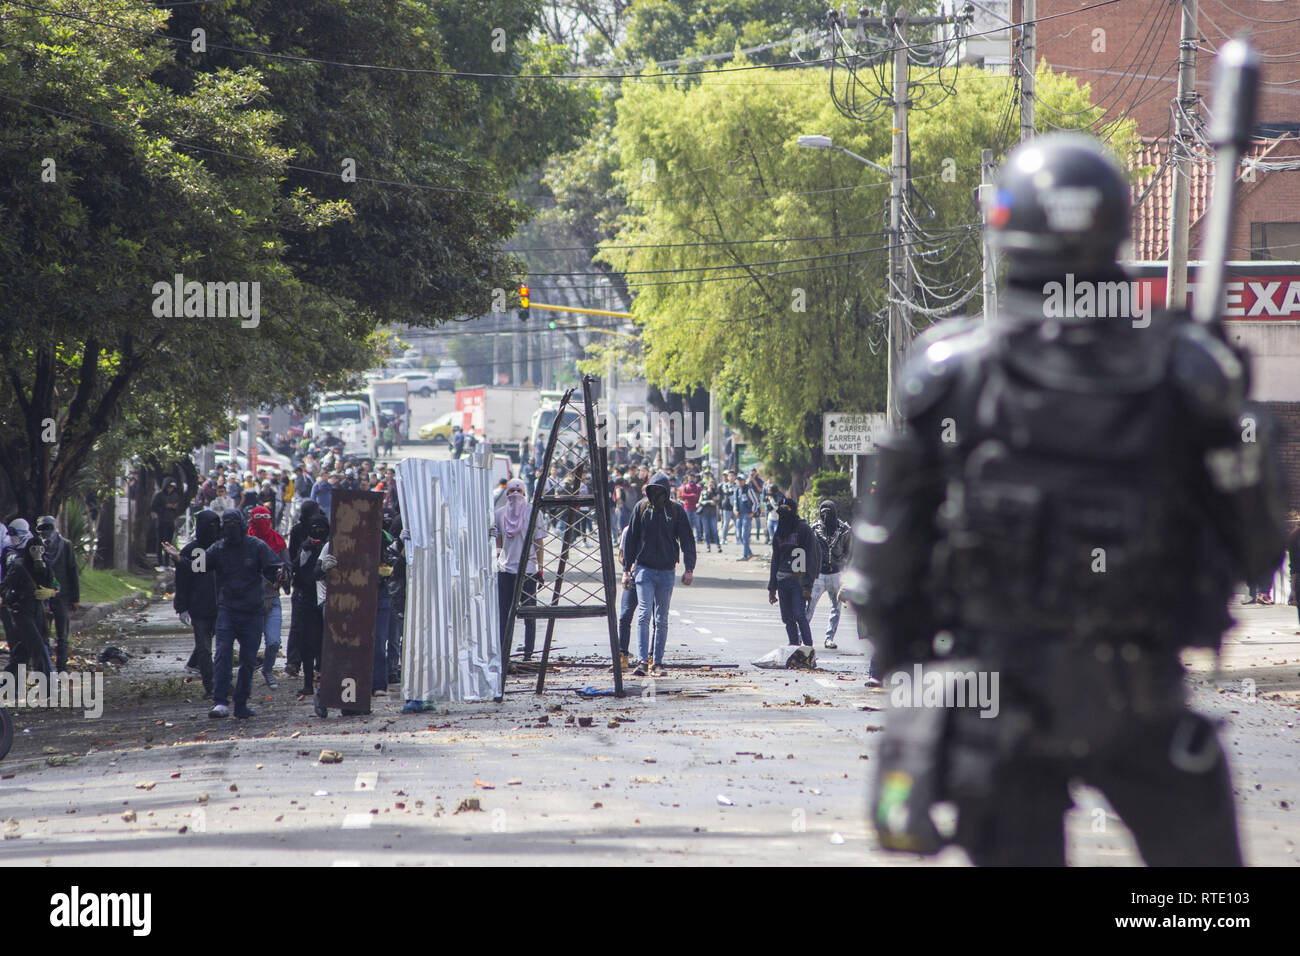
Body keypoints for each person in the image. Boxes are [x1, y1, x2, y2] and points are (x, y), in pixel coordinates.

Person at [844, 132, 1288, 866]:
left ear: (1006, 229)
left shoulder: (949, 373)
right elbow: (1259, 549)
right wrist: (1232, 432)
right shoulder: (1188, 376)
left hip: (995, 704)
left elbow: (882, 570)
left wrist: (919, 685)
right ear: (1115, 228)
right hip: (1140, 697)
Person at [205, 509, 283, 719]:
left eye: (234, 523)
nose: (231, 527)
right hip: (227, 610)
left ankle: (241, 704)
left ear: (241, 524)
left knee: (248, 660)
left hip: (252, 612)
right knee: (222, 655)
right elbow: (198, 565)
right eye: (227, 523)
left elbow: (274, 566)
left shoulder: (256, 546)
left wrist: (280, 575)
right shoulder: (218, 548)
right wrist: (180, 560)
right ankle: (220, 701)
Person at [621, 472, 696, 677]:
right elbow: (631, 540)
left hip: (666, 571)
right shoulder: (641, 508)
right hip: (643, 569)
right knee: (644, 614)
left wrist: (689, 568)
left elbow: (687, 540)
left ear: (667, 490)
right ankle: (643, 661)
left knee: (661, 619)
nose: (656, 493)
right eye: (652, 489)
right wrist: (626, 570)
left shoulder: (676, 510)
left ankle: (658, 662)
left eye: (659, 490)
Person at [494, 478, 546, 661]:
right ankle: (508, 651)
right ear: (507, 493)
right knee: (511, 614)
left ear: (524, 493)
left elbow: (538, 542)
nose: (515, 494)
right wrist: (540, 568)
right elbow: (538, 543)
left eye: (519, 491)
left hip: (524, 570)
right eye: (512, 491)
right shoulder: (501, 514)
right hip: (511, 570)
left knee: (523, 615)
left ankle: (523, 653)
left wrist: (540, 568)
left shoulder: (532, 513)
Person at [174, 509, 220, 696]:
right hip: (199, 608)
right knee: (203, 649)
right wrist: (182, 607)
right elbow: (182, 581)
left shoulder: (223, 547)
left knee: (222, 648)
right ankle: (210, 686)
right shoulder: (190, 551)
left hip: (223, 607)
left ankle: (223, 682)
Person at [0, 533, 56, 677]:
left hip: (38, 611)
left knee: (22, 653)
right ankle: (48, 685)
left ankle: (7, 682)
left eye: (40, 549)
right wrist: (9, 599)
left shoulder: (46, 566)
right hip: (22, 611)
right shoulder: (19, 566)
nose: (37, 552)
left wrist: (52, 592)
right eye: (33, 549)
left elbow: (54, 584)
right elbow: (5, 585)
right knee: (38, 647)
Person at [768, 496, 820, 649]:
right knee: (787, 618)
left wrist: (808, 585)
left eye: (786, 510)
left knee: (799, 615)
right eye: (780, 510)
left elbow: (812, 557)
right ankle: (793, 647)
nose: (783, 513)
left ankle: (808, 648)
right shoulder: (779, 532)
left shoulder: (804, 529)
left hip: (799, 580)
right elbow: (775, 559)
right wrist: (772, 587)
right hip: (782, 580)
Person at [248, 506, 290, 688]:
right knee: (250, 643)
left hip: (272, 598)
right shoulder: (244, 542)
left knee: (274, 642)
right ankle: (246, 675)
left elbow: (288, 565)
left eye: (265, 519)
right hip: (249, 602)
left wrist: (284, 576)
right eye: (258, 520)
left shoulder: (278, 541)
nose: (262, 524)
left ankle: (268, 669)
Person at [291, 512, 330, 701]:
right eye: (315, 528)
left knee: (325, 644)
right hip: (307, 600)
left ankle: (323, 682)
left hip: (325, 601)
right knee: (307, 645)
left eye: (321, 528)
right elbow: (297, 568)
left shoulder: (330, 547)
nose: (318, 532)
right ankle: (308, 684)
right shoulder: (305, 547)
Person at [36, 516, 79, 672]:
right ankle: (45, 668)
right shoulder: (37, 547)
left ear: (54, 528)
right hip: (43, 597)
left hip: (62, 596)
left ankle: (61, 667)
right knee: (43, 635)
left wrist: (75, 598)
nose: (45, 532)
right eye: (41, 529)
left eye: (48, 528)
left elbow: (72, 571)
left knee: (62, 636)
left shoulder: (65, 545)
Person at [807, 500, 851, 650]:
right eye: (822, 511)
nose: (825, 515)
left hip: (836, 574)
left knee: (836, 608)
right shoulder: (815, 529)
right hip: (818, 575)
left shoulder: (844, 530)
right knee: (809, 607)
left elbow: (849, 553)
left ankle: (829, 638)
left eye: (828, 512)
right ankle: (802, 637)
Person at [151, 478, 183, 569]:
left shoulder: (175, 496)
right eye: (168, 488)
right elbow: (154, 507)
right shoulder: (159, 496)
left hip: (170, 521)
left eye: (171, 488)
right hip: (161, 520)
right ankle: (159, 561)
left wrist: (174, 508)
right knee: (160, 541)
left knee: (168, 542)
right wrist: (164, 506)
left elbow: (179, 508)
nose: (170, 490)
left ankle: (167, 562)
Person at [734, 472, 760, 560]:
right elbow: (735, 502)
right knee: (739, 535)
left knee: (744, 534)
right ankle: (749, 552)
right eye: (738, 480)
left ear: (744, 481)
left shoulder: (748, 489)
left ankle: (745, 555)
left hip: (747, 514)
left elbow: (756, 502)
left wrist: (753, 512)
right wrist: (735, 510)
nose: (739, 482)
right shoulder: (737, 490)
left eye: (741, 480)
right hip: (739, 515)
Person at [698, 478, 721, 553]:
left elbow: (716, 501)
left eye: (712, 485)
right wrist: (708, 501)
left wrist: (711, 493)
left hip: (713, 514)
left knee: (714, 530)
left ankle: (718, 546)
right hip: (704, 514)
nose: (711, 486)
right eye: (710, 485)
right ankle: (708, 546)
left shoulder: (716, 493)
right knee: (706, 531)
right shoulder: (703, 492)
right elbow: (700, 502)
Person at [719, 471, 737, 545]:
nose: (731, 477)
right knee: (726, 523)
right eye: (730, 476)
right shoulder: (725, 485)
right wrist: (733, 492)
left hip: (736, 507)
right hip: (727, 507)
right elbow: (726, 492)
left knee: (737, 524)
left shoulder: (737, 485)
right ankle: (723, 539)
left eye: (733, 475)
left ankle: (738, 539)